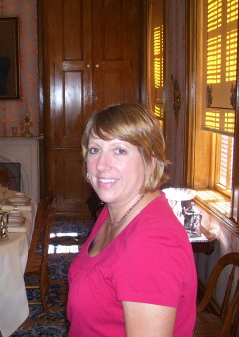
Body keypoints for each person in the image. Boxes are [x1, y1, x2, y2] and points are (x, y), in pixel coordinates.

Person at [67, 103, 197, 336]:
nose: (101, 165)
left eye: (120, 150)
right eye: (95, 150)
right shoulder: (115, 209)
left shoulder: (153, 244)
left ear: (151, 159)